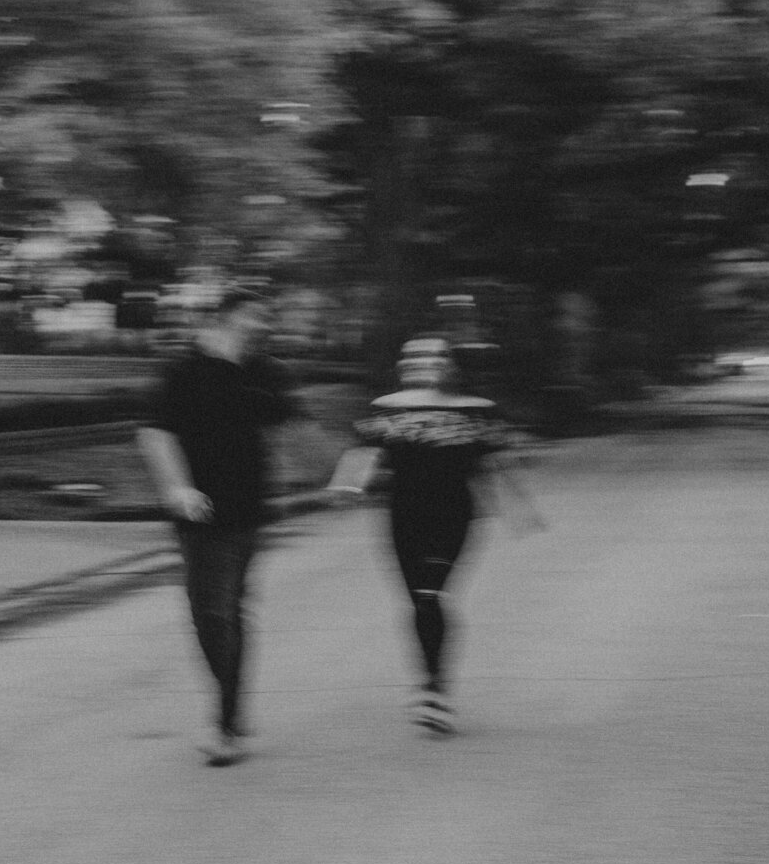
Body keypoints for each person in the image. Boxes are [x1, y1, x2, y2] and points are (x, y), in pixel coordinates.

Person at [137, 285, 322, 766]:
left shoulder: (265, 372)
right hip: (197, 509)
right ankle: (233, 708)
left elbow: (297, 425)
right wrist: (177, 487)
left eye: (266, 318)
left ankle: (225, 722)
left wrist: (340, 475)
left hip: (248, 510)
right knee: (208, 614)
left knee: (229, 611)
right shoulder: (183, 370)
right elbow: (155, 433)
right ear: (225, 317)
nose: (263, 325)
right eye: (255, 316)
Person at [327, 334, 541, 735]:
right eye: (416, 357)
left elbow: (499, 459)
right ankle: (430, 685)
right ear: (404, 365)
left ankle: (435, 690)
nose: (426, 364)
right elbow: (363, 453)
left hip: (455, 517)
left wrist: (520, 506)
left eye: (436, 357)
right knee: (417, 601)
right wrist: (347, 487)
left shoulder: (477, 412)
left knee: (430, 594)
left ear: (450, 365)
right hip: (402, 517)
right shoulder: (385, 409)